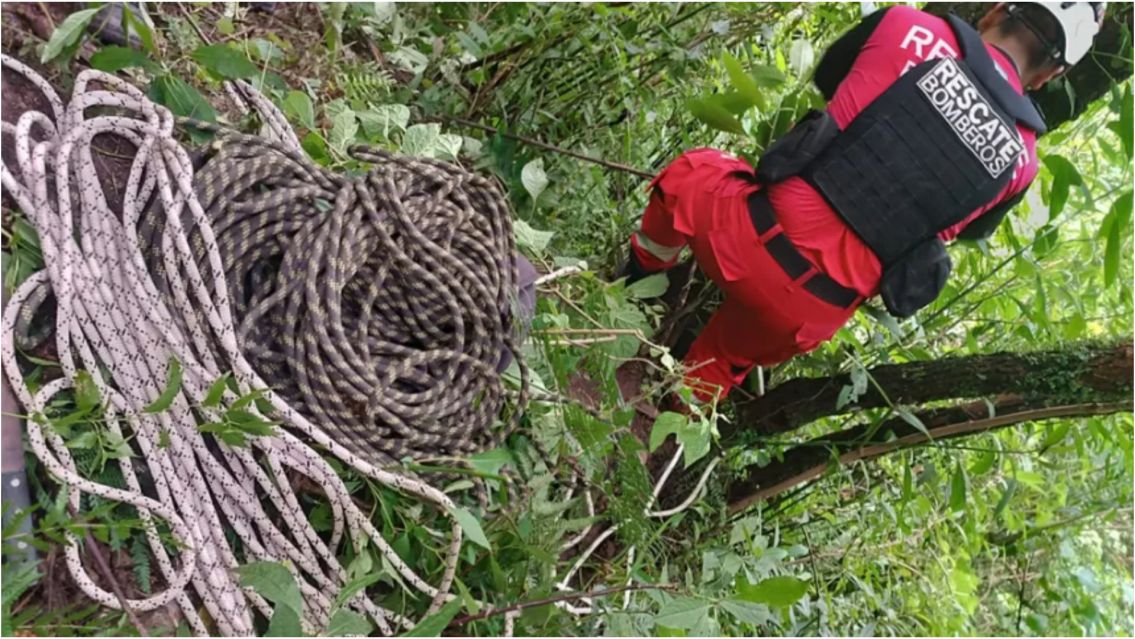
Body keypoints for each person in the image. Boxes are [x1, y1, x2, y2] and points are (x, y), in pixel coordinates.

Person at [620, 3, 1105, 402]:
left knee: (691, 172)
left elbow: (831, 80)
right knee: (724, 360)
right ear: (1050, 75)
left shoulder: (907, 25)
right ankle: (668, 422)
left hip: (745, 230)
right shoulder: (1022, 164)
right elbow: (970, 227)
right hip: (808, 312)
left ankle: (640, 280)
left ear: (995, 10)